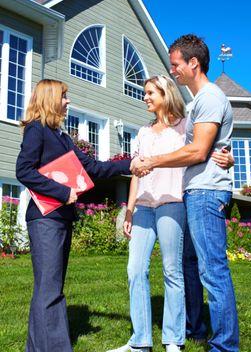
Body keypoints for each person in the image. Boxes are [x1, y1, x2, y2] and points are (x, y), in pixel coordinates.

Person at [107, 75, 233, 352]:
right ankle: (140, 340)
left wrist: (229, 157)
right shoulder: (142, 132)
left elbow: (206, 149)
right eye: (145, 93)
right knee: (135, 270)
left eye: (150, 92)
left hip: (172, 203)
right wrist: (129, 211)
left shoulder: (186, 126)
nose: (146, 97)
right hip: (143, 207)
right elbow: (135, 175)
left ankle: (173, 339)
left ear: (166, 94)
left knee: (172, 270)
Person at [131, 34, 239, 352]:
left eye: (175, 63)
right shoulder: (196, 105)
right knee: (205, 268)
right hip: (197, 191)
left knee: (213, 270)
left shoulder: (209, 97)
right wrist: (225, 155)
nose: (172, 69)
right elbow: (209, 147)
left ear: (193, 63)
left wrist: (152, 161)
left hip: (206, 192)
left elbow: (197, 150)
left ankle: (224, 346)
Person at [16, 79, 131, 352]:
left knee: (48, 287)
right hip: (45, 219)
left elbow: (92, 167)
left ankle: (36, 348)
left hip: (60, 218)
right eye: (64, 97)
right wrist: (61, 191)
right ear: (50, 98)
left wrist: (131, 163)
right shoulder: (37, 130)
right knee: (50, 288)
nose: (68, 102)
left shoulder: (62, 137)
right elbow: (24, 171)